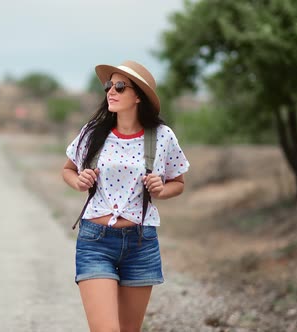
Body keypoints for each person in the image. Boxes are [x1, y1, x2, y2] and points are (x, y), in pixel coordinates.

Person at [62, 60, 190, 332]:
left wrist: (161, 189)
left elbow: (178, 182)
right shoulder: (93, 131)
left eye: (120, 86)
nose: (111, 91)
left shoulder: (162, 136)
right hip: (95, 241)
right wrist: (78, 181)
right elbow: (68, 170)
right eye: (110, 85)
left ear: (138, 96)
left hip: (141, 244)